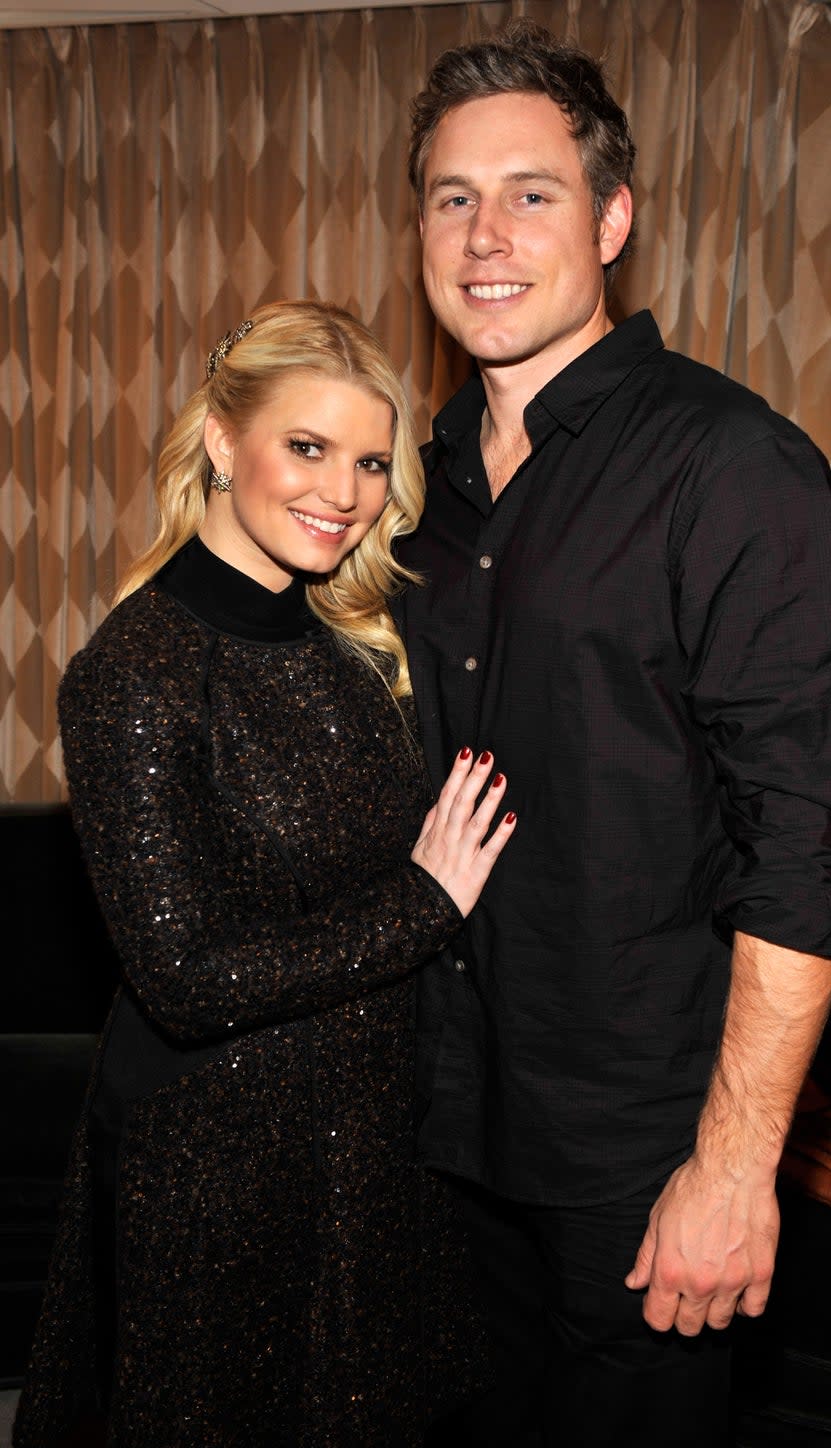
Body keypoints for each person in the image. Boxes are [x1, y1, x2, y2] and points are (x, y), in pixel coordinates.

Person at [398, 22, 831, 1447]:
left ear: (612, 219)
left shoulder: (729, 467)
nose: (485, 235)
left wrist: (732, 1169)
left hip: (639, 1161)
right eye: (450, 196)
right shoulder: (413, 478)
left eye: (530, 192)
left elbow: (801, 848)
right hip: (442, 1133)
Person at [13, 299, 516, 1448]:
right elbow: (185, 979)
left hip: (364, 1146)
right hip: (215, 1168)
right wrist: (424, 905)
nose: (343, 492)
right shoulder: (135, 671)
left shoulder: (351, 650)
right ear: (223, 443)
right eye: (307, 447)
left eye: (371, 461)